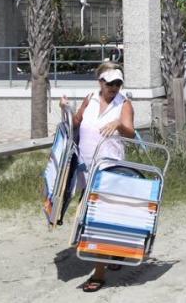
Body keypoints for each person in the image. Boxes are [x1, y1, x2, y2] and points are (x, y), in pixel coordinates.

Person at [58, 62, 135, 293]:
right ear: (100, 82)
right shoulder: (90, 97)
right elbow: (76, 122)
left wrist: (119, 124)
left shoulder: (124, 104)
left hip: (110, 168)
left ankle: (99, 272)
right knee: (107, 216)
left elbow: (130, 131)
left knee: (98, 219)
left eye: (118, 83)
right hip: (86, 167)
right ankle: (116, 252)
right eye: (109, 82)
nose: (114, 87)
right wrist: (66, 109)